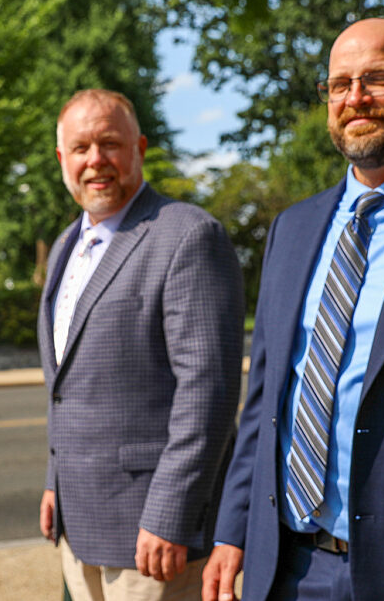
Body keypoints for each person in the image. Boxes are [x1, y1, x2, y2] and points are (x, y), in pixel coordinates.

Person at [204, 18, 384, 601]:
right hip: (287, 564)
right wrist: (234, 530)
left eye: (379, 78)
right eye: (339, 84)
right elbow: (265, 398)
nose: (355, 98)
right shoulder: (293, 228)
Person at [39, 89, 245, 601]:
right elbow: (68, 386)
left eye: (110, 143)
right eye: (81, 148)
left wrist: (171, 514)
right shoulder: (66, 244)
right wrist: (54, 481)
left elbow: (208, 393)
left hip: (151, 537)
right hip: (77, 524)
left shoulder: (189, 235)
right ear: (62, 159)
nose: (96, 160)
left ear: (140, 147)